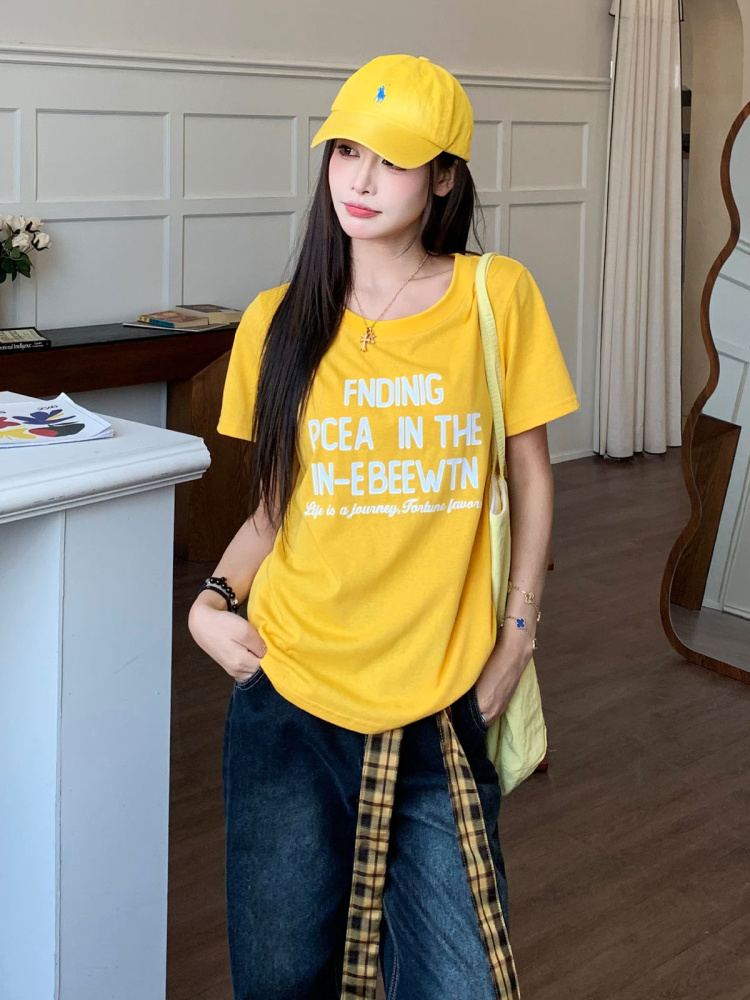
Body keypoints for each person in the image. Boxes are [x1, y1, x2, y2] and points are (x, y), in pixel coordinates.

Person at [188, 53, 579, 1000]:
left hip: (439, 707)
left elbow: (530, 475)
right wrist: (209, 604)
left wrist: (518, 637)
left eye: (393, 159)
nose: (359, 180)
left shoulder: (496, 298)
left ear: (443, 176)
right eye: (346, 151)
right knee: (281, 980)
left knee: (459, 981)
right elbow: (276, 508)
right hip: (288, 699)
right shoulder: (276, 322)